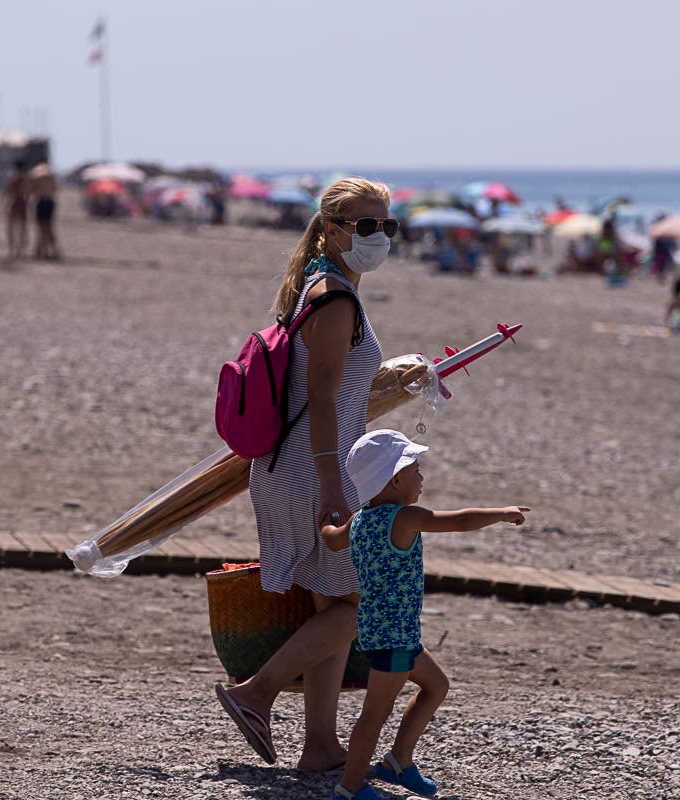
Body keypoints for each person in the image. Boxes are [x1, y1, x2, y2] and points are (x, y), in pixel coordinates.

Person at [215, 177, 395, 773]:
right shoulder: (336, 297)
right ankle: (254, 692)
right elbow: (320, 397)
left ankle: (319, 746)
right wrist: (333, 489)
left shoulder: (321, 290)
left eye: (386, 226)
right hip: (309, 470)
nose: (378, 237)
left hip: (298, 465)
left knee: (330, 609)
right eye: (366, 226)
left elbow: (334, 389)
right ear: (334, 228)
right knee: (361, 606)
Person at [321, 429, 530, 800]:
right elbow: (460, 521)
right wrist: (501, 512)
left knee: (437, 685)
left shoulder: (359, 520)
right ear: (396, 479)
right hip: (394, 636)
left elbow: (334, 538)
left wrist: (324, 525)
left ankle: (398, 761)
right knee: (374, 714)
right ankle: (350, 787)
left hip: (380, 629)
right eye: (416, 469)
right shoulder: (405, 518)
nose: (422, 477)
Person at [28, 161, 60, 260]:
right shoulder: (51, 174)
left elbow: (31, 189)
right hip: (50, 201)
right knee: (49, 227)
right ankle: (52, 251)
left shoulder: (36, 173)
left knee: (41, 227)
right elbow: (56, 188)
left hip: (41, 201)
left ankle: (41, 251)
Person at [0, 161, 29, 260]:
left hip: (15, 203)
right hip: (23, 203)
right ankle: (20, 251)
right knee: (22, 228)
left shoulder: (13, 177)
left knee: (11, 228)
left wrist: (1, 203)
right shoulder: (26, 178)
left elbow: (7, 191)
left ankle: (12, 250)